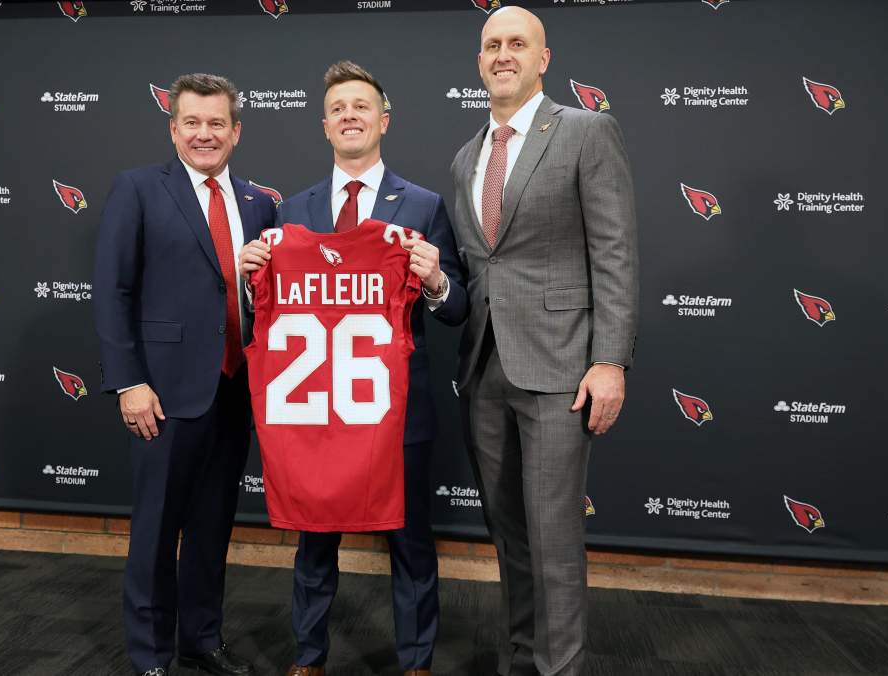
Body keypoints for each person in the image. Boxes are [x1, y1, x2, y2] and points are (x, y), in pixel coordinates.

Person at [238, 61, 467, 676]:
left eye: (361, 106)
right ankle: (309, 656)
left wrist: (436, 279)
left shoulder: (423, 206)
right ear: (324, 125)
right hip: (317, 410)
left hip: (394, 414)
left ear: (383, 120)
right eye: (338, 108)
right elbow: (271, 314)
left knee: (410, 544)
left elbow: (458, 309)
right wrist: (252, 276)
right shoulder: (292, 210)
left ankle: (416, 662)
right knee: (314, 543)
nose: (350, 116)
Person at [449, 8, 639, 676]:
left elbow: (614, 252)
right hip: (484, 369)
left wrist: (609, 360)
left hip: (561, 370)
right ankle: (521, 662)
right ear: (479, 61)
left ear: (543, 59)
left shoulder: (586, 130)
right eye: (492, 45)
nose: (503, 55)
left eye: (517, 44)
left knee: (554, 539)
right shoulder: (466, 157)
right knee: (510, 540)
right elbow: (482, 266)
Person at [94, 73, 276, 676]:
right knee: (156, 528)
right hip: (163, 393)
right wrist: (129, 382)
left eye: (216, 123)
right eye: (192, 122)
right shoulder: (139, 189)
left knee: (212, 525)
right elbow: (113, 292)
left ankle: (202, 638)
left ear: (236, 131)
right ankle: (150, 655)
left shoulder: (259, 203)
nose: (205, 134)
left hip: (235, 389)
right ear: (173, 129)